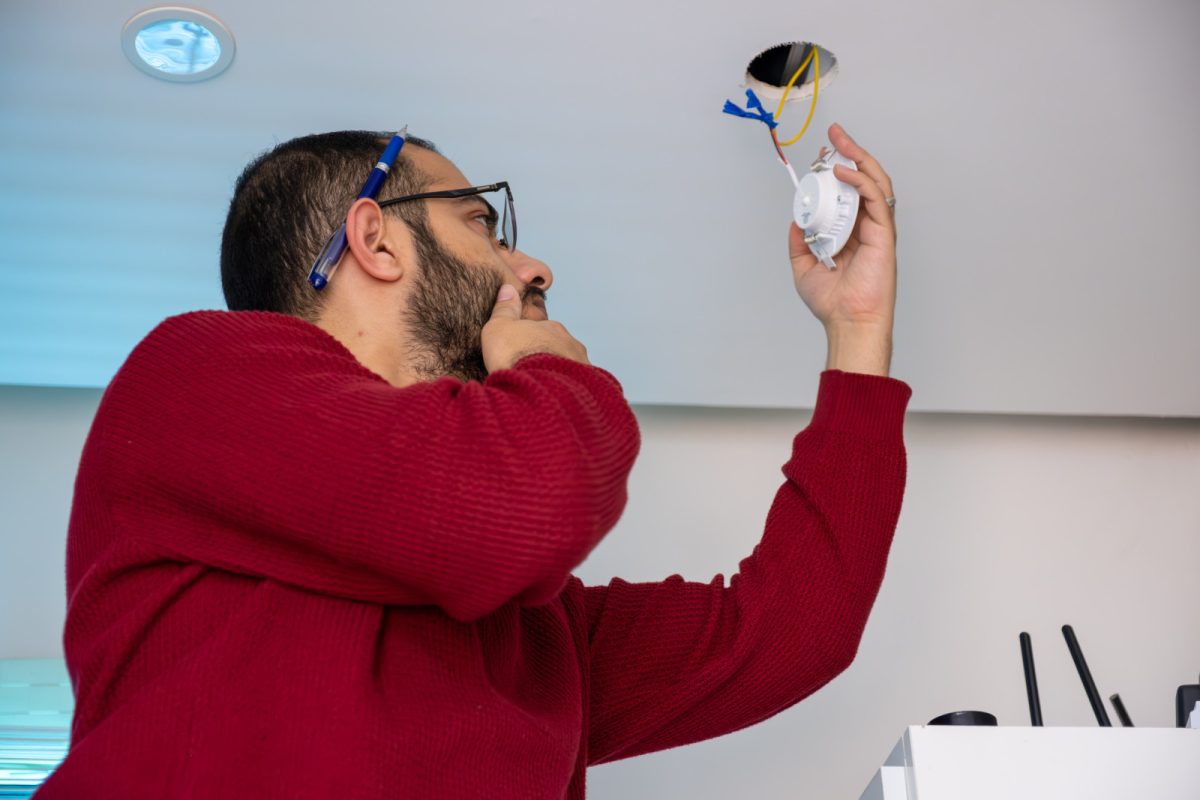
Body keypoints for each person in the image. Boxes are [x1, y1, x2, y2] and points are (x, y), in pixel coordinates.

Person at [39, 123, 910, 799]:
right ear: (373, 239)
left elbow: (793, 628)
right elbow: (522, 502)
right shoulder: (194, 380)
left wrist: (857, 330)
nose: (533, 266)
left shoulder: (529, 632)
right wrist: (547, 365)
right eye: (482, 224)